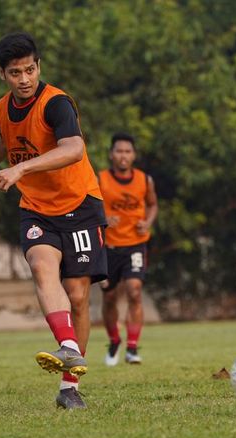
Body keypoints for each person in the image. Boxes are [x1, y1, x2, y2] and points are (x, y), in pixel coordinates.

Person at [0, 32, 106, 410]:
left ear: (39, 66)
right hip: (37, 206)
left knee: (79, 296)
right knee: (41, 265)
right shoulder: (2, 107)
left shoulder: (56, 104)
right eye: (15, 72)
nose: (24, 79)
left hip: (79, 203)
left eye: (30, 70)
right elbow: (5, 140)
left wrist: (20, 169)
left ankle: (70, 385)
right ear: (2, 73)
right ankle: (68, 347)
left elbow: (74, 149)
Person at [98, 132, 158, 366]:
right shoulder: (100, 179)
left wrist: (148, 222)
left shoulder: (145, 180)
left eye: (128, 151)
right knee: (110, 296)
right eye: (119, 151)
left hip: (135, 244)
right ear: (111, 154)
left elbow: (153, 205)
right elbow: (87, 206)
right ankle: (114, 341)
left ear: (133, 155)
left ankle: (132, 347)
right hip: (109, 247)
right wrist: (102, 218)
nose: (123, 155)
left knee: (134, 290)